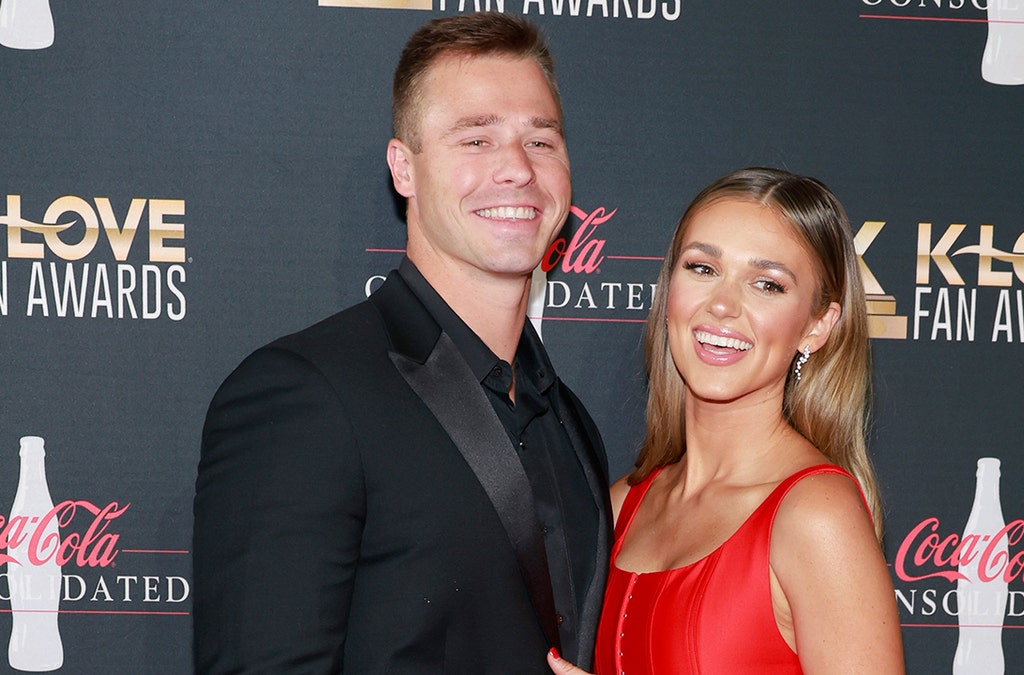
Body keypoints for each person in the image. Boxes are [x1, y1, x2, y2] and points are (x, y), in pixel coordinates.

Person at [193, 13, 612, 674]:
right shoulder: (306, 395)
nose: (516, 168)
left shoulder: (572, 422)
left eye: (541, 139)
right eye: (475, 138)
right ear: (404, 168)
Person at [548, 168, 904, 674]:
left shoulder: (816, 517)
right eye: (702, 268)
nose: (721, 305)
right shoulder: (621, 505)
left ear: (818, 325)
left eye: (767, 284)